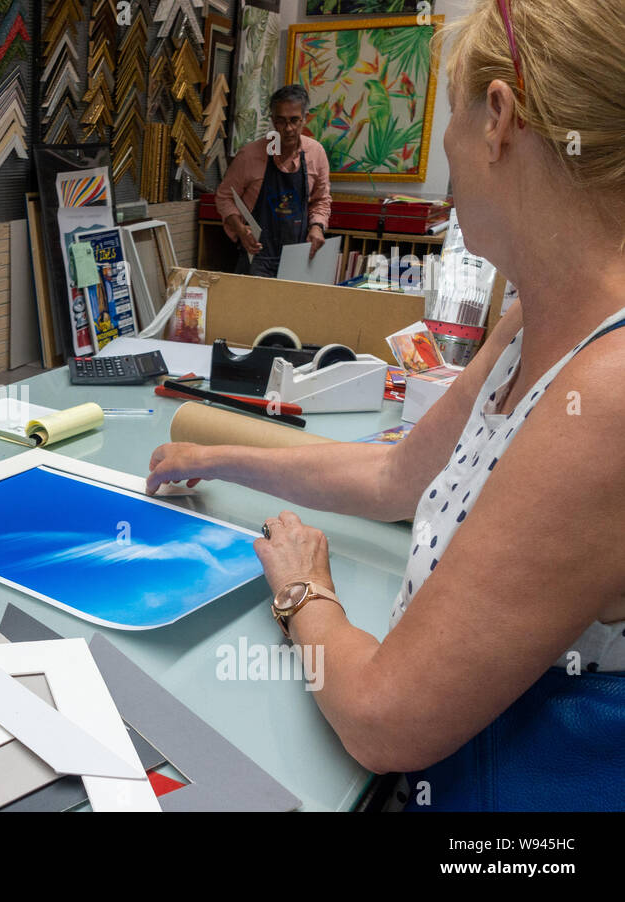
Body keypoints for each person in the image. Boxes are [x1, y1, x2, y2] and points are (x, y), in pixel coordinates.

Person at [149, 0, 625, 809]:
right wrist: (218, 456)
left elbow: (382, 716)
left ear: (499, 119)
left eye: (451, 120)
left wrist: (306, 592)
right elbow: (399, 474)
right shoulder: (539, 316)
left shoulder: (607, 392)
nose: (446, 150)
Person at [216, 84, 333, 278]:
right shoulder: (250, 155)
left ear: (305, 118)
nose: (288, 128)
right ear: (272, 120)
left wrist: (317, 227)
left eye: (294, 120)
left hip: (298, 257)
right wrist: (239, 228)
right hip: (256, 256)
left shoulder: (316, 153)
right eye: (281, 121)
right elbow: (224, 197)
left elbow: (321, 200)